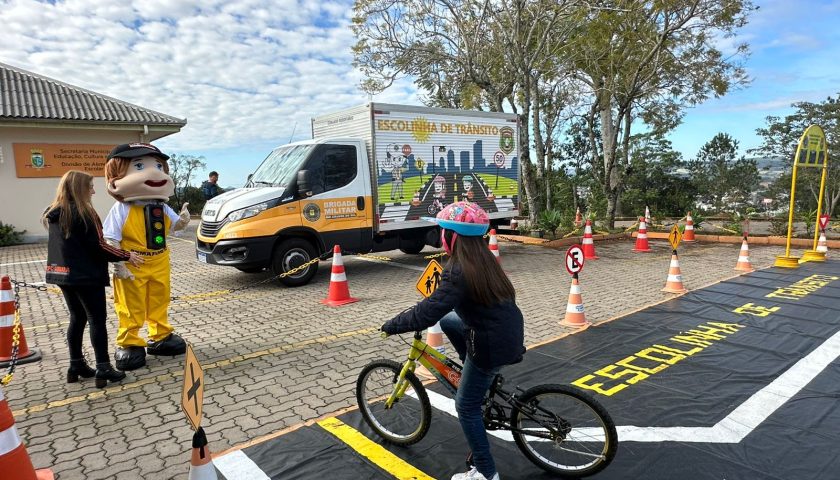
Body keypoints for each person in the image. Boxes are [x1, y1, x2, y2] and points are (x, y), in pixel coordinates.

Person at [381, 201, 525, 480]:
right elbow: (440, 309)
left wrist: (393, 325)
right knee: (449, 321)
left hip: (490, 345)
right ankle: (471, 371)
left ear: (453, 237)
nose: (439, 236)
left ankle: (486, 472)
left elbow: (426, 314)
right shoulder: (483, 260)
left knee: (466, 407)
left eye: (442, 232)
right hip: (506, 331)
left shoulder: (458, 270)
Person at [43, 170, 144, 388]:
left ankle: (76, 365)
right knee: (96, 320)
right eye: (90, 187)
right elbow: (99, 246)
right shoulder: (85, 213)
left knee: (77, 318)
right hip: (86, 276)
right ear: (79, 188)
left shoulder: (53, 212)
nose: (93, 191)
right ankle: (103, 367)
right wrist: (126, 255)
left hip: (62, 275)